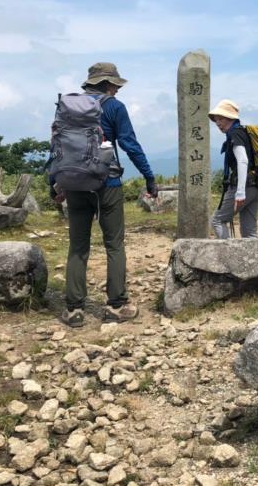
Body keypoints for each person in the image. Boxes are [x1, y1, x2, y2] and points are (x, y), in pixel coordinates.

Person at [55, 62, 158, 327]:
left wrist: (55, 183)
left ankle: (74, 310)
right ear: (109, 84)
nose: (118, 90)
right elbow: (130, 145)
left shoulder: (66, 107)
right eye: (116, 85)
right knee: (114, 244)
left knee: (78, 246)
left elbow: (57, 147)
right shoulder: (114, 107)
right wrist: (148, 176)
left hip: (74, 184)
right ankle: (116, 305)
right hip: (107, 183)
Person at [209, 99, 258, 238]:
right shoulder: (243, 132)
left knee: (217, 221)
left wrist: (240, 192)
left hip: (244, 186)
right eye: (216, 120)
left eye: (221, 118)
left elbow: (243, 160)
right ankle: (253, 253)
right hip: (255, 186)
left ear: (230, 118)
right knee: (249, 231)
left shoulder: (234, 134)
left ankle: (229, 251)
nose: (218, 123)